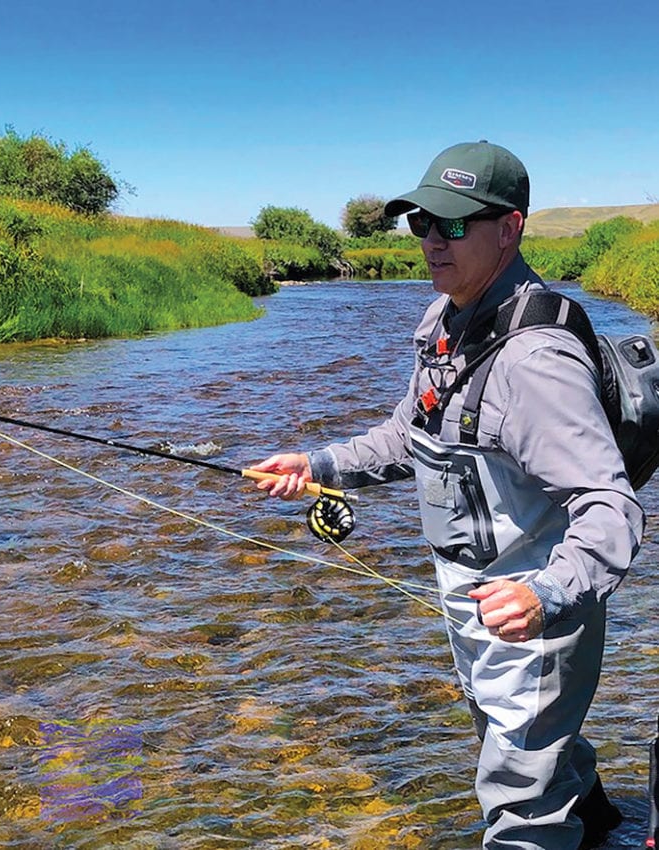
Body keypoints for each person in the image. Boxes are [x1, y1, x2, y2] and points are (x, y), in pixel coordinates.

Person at [251, 141, 645, 850]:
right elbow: (406, 439)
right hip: (471, 602)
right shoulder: (442, 321)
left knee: (517, 804)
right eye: (422, 222)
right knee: (537, 754)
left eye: (455, 224)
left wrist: (546, 594)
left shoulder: (536, 360)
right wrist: (316, 465)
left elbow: (611, 508)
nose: (434, 240)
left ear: (511, 228)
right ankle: (607, 831)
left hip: (535, 619)